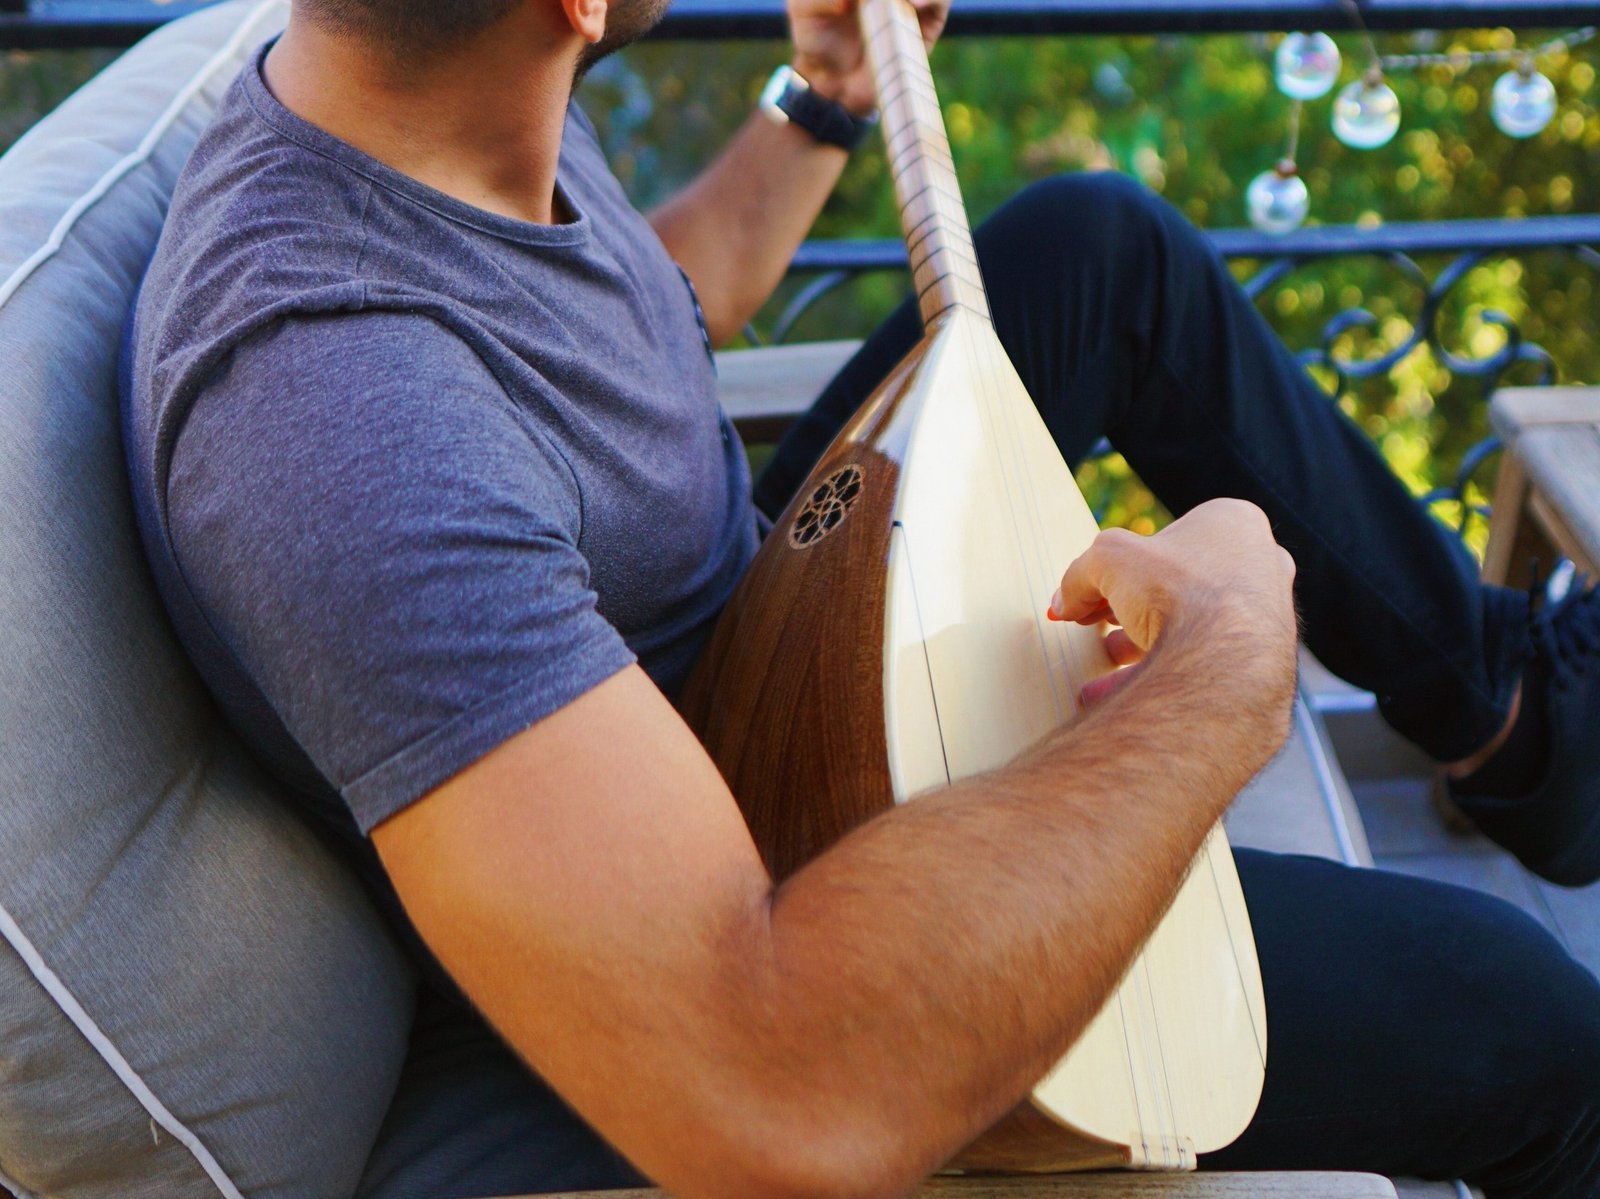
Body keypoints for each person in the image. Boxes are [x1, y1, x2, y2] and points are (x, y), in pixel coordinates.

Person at [121, 0, 1600, 1195]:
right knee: (1531, 1021)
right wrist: (1223, 667)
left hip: (756, 626)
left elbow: (631, 318)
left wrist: (821, 92)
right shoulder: (341, 419)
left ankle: (1523, 719)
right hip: (761, 836)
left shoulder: (430, 105)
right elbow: (772, 1093)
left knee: (1096, 249)